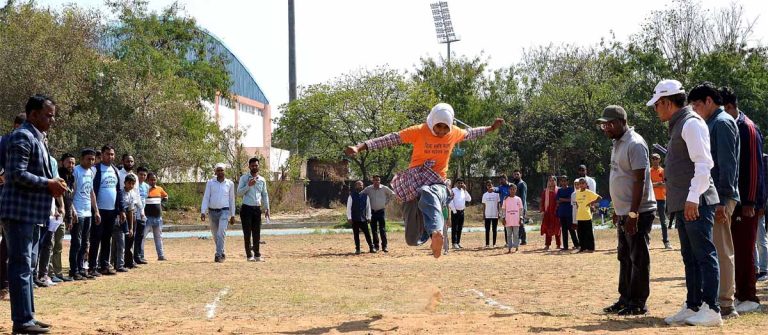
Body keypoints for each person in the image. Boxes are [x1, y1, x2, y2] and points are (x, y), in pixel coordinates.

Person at [343, 103, 503, 258]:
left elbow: (471, 133)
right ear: (432, 121)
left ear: (450, 125)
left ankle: (436, 232)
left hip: (438, 181)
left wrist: (491, 128)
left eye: (445, 127)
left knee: (429, 192)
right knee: (412, 239)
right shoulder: (419, 131)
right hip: (414, 181)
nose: (441, 131)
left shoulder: (454, 132)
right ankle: (429, 232)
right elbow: (390, 139)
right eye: (438, 126)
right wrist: (360, 146)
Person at [648, 80, 722, 327]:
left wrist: (692, 198)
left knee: (704, 254)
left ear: (667, 102)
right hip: (684, 201)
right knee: (689, 256)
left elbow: (703, 164)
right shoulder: (679, 124)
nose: (655, 109)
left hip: (696, 200)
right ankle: (693, 305)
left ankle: (711, 308)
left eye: (657, 105)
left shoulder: (691, 123)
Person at [0, 94, 66, 334]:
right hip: (19, 212)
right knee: (20, 265)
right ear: (33, 114)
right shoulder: (22, 136)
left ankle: (27, 317)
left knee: (27, 267)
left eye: (53, 116)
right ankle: (22, 321)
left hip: (33, 213)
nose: (52, 120)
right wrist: (49, 183)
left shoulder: (39, 138)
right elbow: (16, 174)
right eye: (48, 115)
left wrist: (52, 182)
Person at [597, 105, 657, 316]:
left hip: (638, 212)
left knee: (638, 258)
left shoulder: (635, 144)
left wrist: (632, 213)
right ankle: (625, 298)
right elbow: (621, 177)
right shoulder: (617, 143)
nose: (606, 128)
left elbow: (640, 180)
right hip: (625, 212)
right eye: (604, 124)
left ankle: (639, 302)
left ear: (623, 121)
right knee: (624, 257)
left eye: (610, 124)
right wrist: (618, 209)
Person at [688, 82, 740, 319]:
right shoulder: (711, 123)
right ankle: (716, 299)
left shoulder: (721, 123)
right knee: (714, 249)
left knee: (721, 249)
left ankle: (726, 303)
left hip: (721, 196)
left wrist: (722, 200)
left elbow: (727, 165)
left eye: (697, 105)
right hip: (715, 195)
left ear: (709, 101)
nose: (695, 110)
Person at [721, 86, 764, 313]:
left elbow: (755, 168)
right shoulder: (731, 125)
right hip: (735, 200)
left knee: (745, 249)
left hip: (747, 202)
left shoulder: (747, 128)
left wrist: (750, 202)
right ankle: (739, 293)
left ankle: (749, 296)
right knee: (734, 248)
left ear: (729, 107)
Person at [0, 113, 27, 301]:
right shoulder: (4, 141)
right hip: (5, 198)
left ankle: (5, 285)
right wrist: (4, 175)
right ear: (16, 125)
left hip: (14, 200)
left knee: (9, 245)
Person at [88, 145, 124, 276]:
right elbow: (90, 190)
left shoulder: (115, 170)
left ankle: (104, 266)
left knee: (107, 239)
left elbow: (118, 191)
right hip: (98, 211)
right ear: (102, 155)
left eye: (112, 154)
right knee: (95, 238)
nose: (111, 157)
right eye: (108, 154)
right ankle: (92, 267)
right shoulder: (95, 169)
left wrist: (121, 210)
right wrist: (94, 209)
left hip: (112, 211)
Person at [69, 149, 99, 280]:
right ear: (81, 159)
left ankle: (81, 268)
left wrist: (96, 210)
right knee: (76, 242)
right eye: (88, 159)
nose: (91, 162)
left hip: (88, 213)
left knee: (85, 242)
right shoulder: (76, 171)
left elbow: (91, 192)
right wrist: (73, 210)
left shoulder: (92, 171)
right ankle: (74, 270)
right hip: (78, 212)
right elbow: (71, 192)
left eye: (93, 159)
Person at [237, 157, 270, 262]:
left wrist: (267, 208)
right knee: (247, 233)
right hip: (246, 209)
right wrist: (248, 185)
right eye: (252, 165)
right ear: (249, 166)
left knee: (257, 233)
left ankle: (257, 255)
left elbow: (264, 194)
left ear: (258, 166)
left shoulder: (262, 180)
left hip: (257, 209)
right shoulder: (244, 178)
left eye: (256, 165)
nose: (254, 167)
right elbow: (238, 193)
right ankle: (249, 255)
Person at [201, 163, 236, 263]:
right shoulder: (210, 183)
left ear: (225, 171)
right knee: (215, 235)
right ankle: (222, 251)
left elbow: (231, 200)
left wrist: (233, 215)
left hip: (224, 211)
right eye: (218, 170)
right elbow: (206, 197)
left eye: (222, 170)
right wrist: (203, 211)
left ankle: (218, 255)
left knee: (221, 233)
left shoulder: (230, 184)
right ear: (215, 171)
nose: (220, 172)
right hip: (212, 212)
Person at [50, 153, 76, 283]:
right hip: (53, 214)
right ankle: (48, 274)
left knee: (58, 246)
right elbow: (54, 194)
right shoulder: (58, 175)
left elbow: (69, 199)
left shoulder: (71, 178)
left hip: (63, 215)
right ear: (62, 163)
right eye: (68, 162)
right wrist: (56, 209)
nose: (71, 165)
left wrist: (70, 216)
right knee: (50, 244)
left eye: (73, 163)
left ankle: (58, 273)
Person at [361, 175, 394, 253]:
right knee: (374, 230)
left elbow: (392, 194)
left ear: (380, 181)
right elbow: (361, 195)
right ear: (373, 181)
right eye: (375, 180)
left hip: (381, 211)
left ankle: (384, 246)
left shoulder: (384, 188)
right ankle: (376, 246)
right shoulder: (368, 189)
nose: (377, 182)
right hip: (372, 212)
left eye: (378, 180)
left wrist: (386, 202)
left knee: (382, 229)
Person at [118, 174, 142, 270]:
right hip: (121, 218)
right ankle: (118, 262)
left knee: (130, 240)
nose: (131, 185)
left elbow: (131, 211)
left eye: (133, 184)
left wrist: (131, 227)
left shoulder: (132, 193)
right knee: (120, 242)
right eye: (129, 183)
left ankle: (129, 261)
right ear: (124, 183)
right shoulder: (120, 193)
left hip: (130, 217)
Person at [144, 172, 168, 261]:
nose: (153, 181)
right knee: (143, 236)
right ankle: (141, 255)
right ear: (147, 180)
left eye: (154, 179)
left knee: (158, 237)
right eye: (151, 179)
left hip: (158, 218)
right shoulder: (145, 189)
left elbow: (166, 196)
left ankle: (161, 255)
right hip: (147, 218)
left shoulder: (159, 189)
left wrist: (162, 204)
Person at [573, 178, 602, 252]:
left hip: (587, 216)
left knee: (588, 233)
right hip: (580, 216)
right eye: (580, 183)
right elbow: (577, 203)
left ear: (586, 184)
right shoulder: (577, 192)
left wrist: (591, 203)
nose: (581, 185)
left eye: (583, 183)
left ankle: (591, 248)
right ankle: (582, 247)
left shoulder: (588, 192)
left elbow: (599, 198)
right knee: (580, 233)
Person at [346, 180, 374, 254]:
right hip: (354, 218)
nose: (360, 186)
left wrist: (369, 217)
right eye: (358, 185)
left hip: (363, 218)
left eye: (361, 185)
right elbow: (348, 207)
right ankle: (358, 249)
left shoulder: (366, 196)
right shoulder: (351, 196)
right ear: (356, 186)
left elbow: (368, 207)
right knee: (356, 234)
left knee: (367, 234)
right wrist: (349, 217)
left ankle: (371, 247)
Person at [650, 153, 672, 249]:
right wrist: (659, 183)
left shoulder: (663, 171)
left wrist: (655, 184)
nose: (655, 160)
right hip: (651, 199)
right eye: (653, 158)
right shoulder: (648, 171)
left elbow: (666, 184)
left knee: (663, 221)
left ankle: (666, 241)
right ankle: (647, 241)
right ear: (651, 160)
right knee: (649, 221)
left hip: (662, 199)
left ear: (659, 160)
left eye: (657, 158)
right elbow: (648, 185)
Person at [556, 175, 579, 250]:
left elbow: (570, 200)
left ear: (568, 181)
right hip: (562, 212)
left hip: (569, 212)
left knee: (571, 229)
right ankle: (565, 246)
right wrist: (564, 200)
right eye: (562, 181)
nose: (563, 182)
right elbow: (557, 200)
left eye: (565, 180)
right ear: (560, 182)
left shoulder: (571, 189)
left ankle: (576, 244)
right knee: (564, 230)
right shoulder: (559, 190)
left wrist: (562, 199)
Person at [133, 166, 150, 265]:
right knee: (132, 236)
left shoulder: (147, 186)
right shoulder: (134, 184)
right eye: (140, 174)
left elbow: (144, 199)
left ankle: (138, 256)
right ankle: (130, 257)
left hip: (142, 215)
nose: (142, 177)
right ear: (137, 174)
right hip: (134, 214)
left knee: (140, 236)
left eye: (144, 175)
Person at [449, 178, 471, 249]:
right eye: (459, 183)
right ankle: (454, 243)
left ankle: (458, 242)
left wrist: (465, 190)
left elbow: (469, 199)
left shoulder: (463, 191)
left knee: (460, 228)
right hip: (455, 212)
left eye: (461, 183)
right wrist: (454, 210)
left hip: (462, 211)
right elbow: (450, 201)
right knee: (454, 228)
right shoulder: (453, 190)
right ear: (456, 183)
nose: (460, 184)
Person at [540, 176, 561, 250]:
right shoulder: (545, 191)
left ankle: (558, 244)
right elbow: (542, 202)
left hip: (556, 212)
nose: (551, 182)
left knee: (557, 228)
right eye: (550, 180)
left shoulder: (559, 190)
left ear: (556, 181)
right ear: (548, 181)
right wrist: (542, 210)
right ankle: (547, 244)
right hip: (548, 213)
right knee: (548, 228)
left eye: (553, 180)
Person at [501, 184, 523, 253]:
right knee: (509, 235)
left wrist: (521, 218)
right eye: (511, 189)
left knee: (516, 234)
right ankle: (509, 248)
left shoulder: (518, 199)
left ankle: (516, 247)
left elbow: (521, 209)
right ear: (509, 190)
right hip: (508, 220)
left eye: (514, 189)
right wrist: (503, 218)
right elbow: (503, 209)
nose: (512, 191)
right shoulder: (505, 199)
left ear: (516, 190)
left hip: (516, 220)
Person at [757, 153, 768, 282]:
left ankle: (764, 269)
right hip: (751, 204)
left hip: (760, 204)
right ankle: (756, 268)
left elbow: (765, 184)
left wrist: (762, 205)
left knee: (761, 238)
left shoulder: (764, 158)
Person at [511, 170, 528, 245]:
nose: (516, 176)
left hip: (521, 208)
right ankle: (519, 239)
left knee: (521, 223)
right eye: (515, 174)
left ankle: (523, 240)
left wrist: (521, 209)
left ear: (520, 175)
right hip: (514, 208)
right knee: (516, 224)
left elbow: (523, 198)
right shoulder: (514, 184)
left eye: (517, 174)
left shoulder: (522, 184)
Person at [482, 180, 501, 248]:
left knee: (494, 229)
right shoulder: (485, 195)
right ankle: (487, 244)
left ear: (492, 185)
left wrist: (498, 212)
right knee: (487, 230)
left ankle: (494, 244)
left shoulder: (497, 194)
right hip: (487, 214)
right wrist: (483, 214)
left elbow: (498, 204)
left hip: (495, 214)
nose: (489, 186)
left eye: (490, 185)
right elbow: (484, 205)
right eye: (488, 185)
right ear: (487, 187)